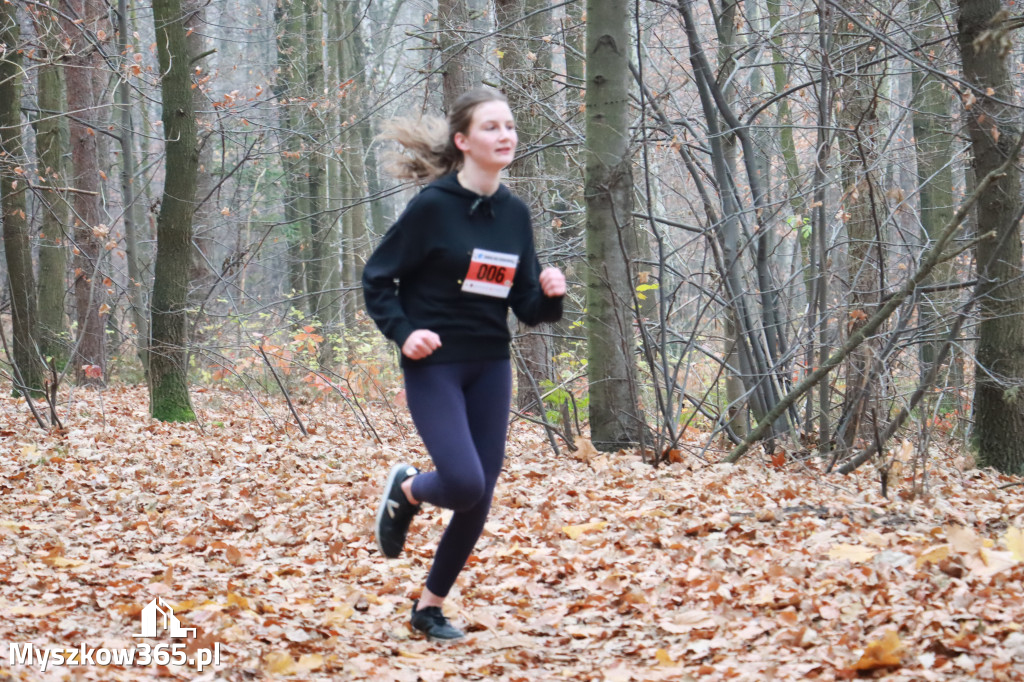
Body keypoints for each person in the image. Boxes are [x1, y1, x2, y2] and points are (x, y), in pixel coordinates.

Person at [362, 88, 566, 641]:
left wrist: (548, 293)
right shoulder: (432, 207)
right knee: (460, 480)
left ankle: (430, 606)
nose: (506, 136)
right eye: (492, 127)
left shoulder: (515, 214)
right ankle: (408, 490)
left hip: (490, 364)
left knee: (481, 492)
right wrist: (405, 335)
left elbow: (524, 306)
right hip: (436, 365)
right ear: (463, 141)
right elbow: (378, 279)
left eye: (510, 127)